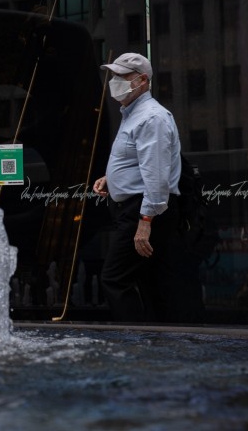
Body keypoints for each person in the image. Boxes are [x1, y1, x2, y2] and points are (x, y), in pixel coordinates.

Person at [92, 52, 182, 322]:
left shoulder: (151, 118)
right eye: (114, 76)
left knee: (114, 279)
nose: (114, 82)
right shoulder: (132, 114)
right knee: (148, 281)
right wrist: (112, 178)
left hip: (141, 211)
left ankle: (133, 344)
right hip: (133, 209)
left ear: (142, 80)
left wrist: (145, 220)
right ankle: (153, 343)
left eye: (122, 77)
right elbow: (139, 160)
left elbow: (157, 175)